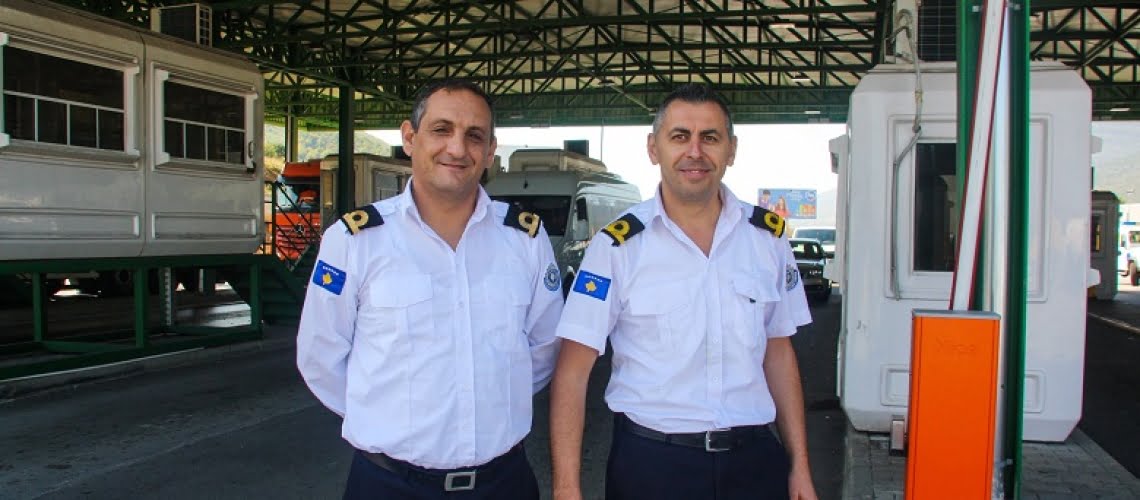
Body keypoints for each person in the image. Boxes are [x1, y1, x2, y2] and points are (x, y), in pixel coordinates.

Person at [296, 79, 563, 499]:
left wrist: (491, 405)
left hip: (502, 483)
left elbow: (544, 348)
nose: (457, 148)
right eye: (441, 130)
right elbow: (320, 355)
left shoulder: (524, 239)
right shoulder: (354, 241)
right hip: (388, 484)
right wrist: (385, 416)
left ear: (490, 151)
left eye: (474, 136)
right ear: (409, 138)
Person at [549, 84, 818, 500]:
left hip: (753, 463)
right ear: (653, 148)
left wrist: (800, 465)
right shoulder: (617, 246)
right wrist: (567, 488)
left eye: (710, 137)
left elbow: (779, 353)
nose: (695, 151)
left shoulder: (767, 239)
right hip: (652, 466)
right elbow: (573, 370)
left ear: (731, 150)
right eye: (680, 136)